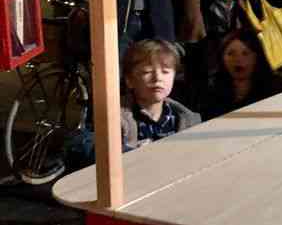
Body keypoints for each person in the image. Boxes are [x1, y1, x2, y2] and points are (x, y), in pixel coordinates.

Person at [65, 39, 200, 167]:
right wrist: (130, 154)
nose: (158, 78)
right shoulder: (113, 116)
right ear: (129, 80)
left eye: (165, 72)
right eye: (147, 72)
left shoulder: (186, 119)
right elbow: (82, 144)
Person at [200, 29, 282, 121]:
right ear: (222, 58)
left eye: (245, 53)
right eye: (231, 54)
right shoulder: (212, 91)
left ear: (256, 57)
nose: (238, 59)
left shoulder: (276, 87)